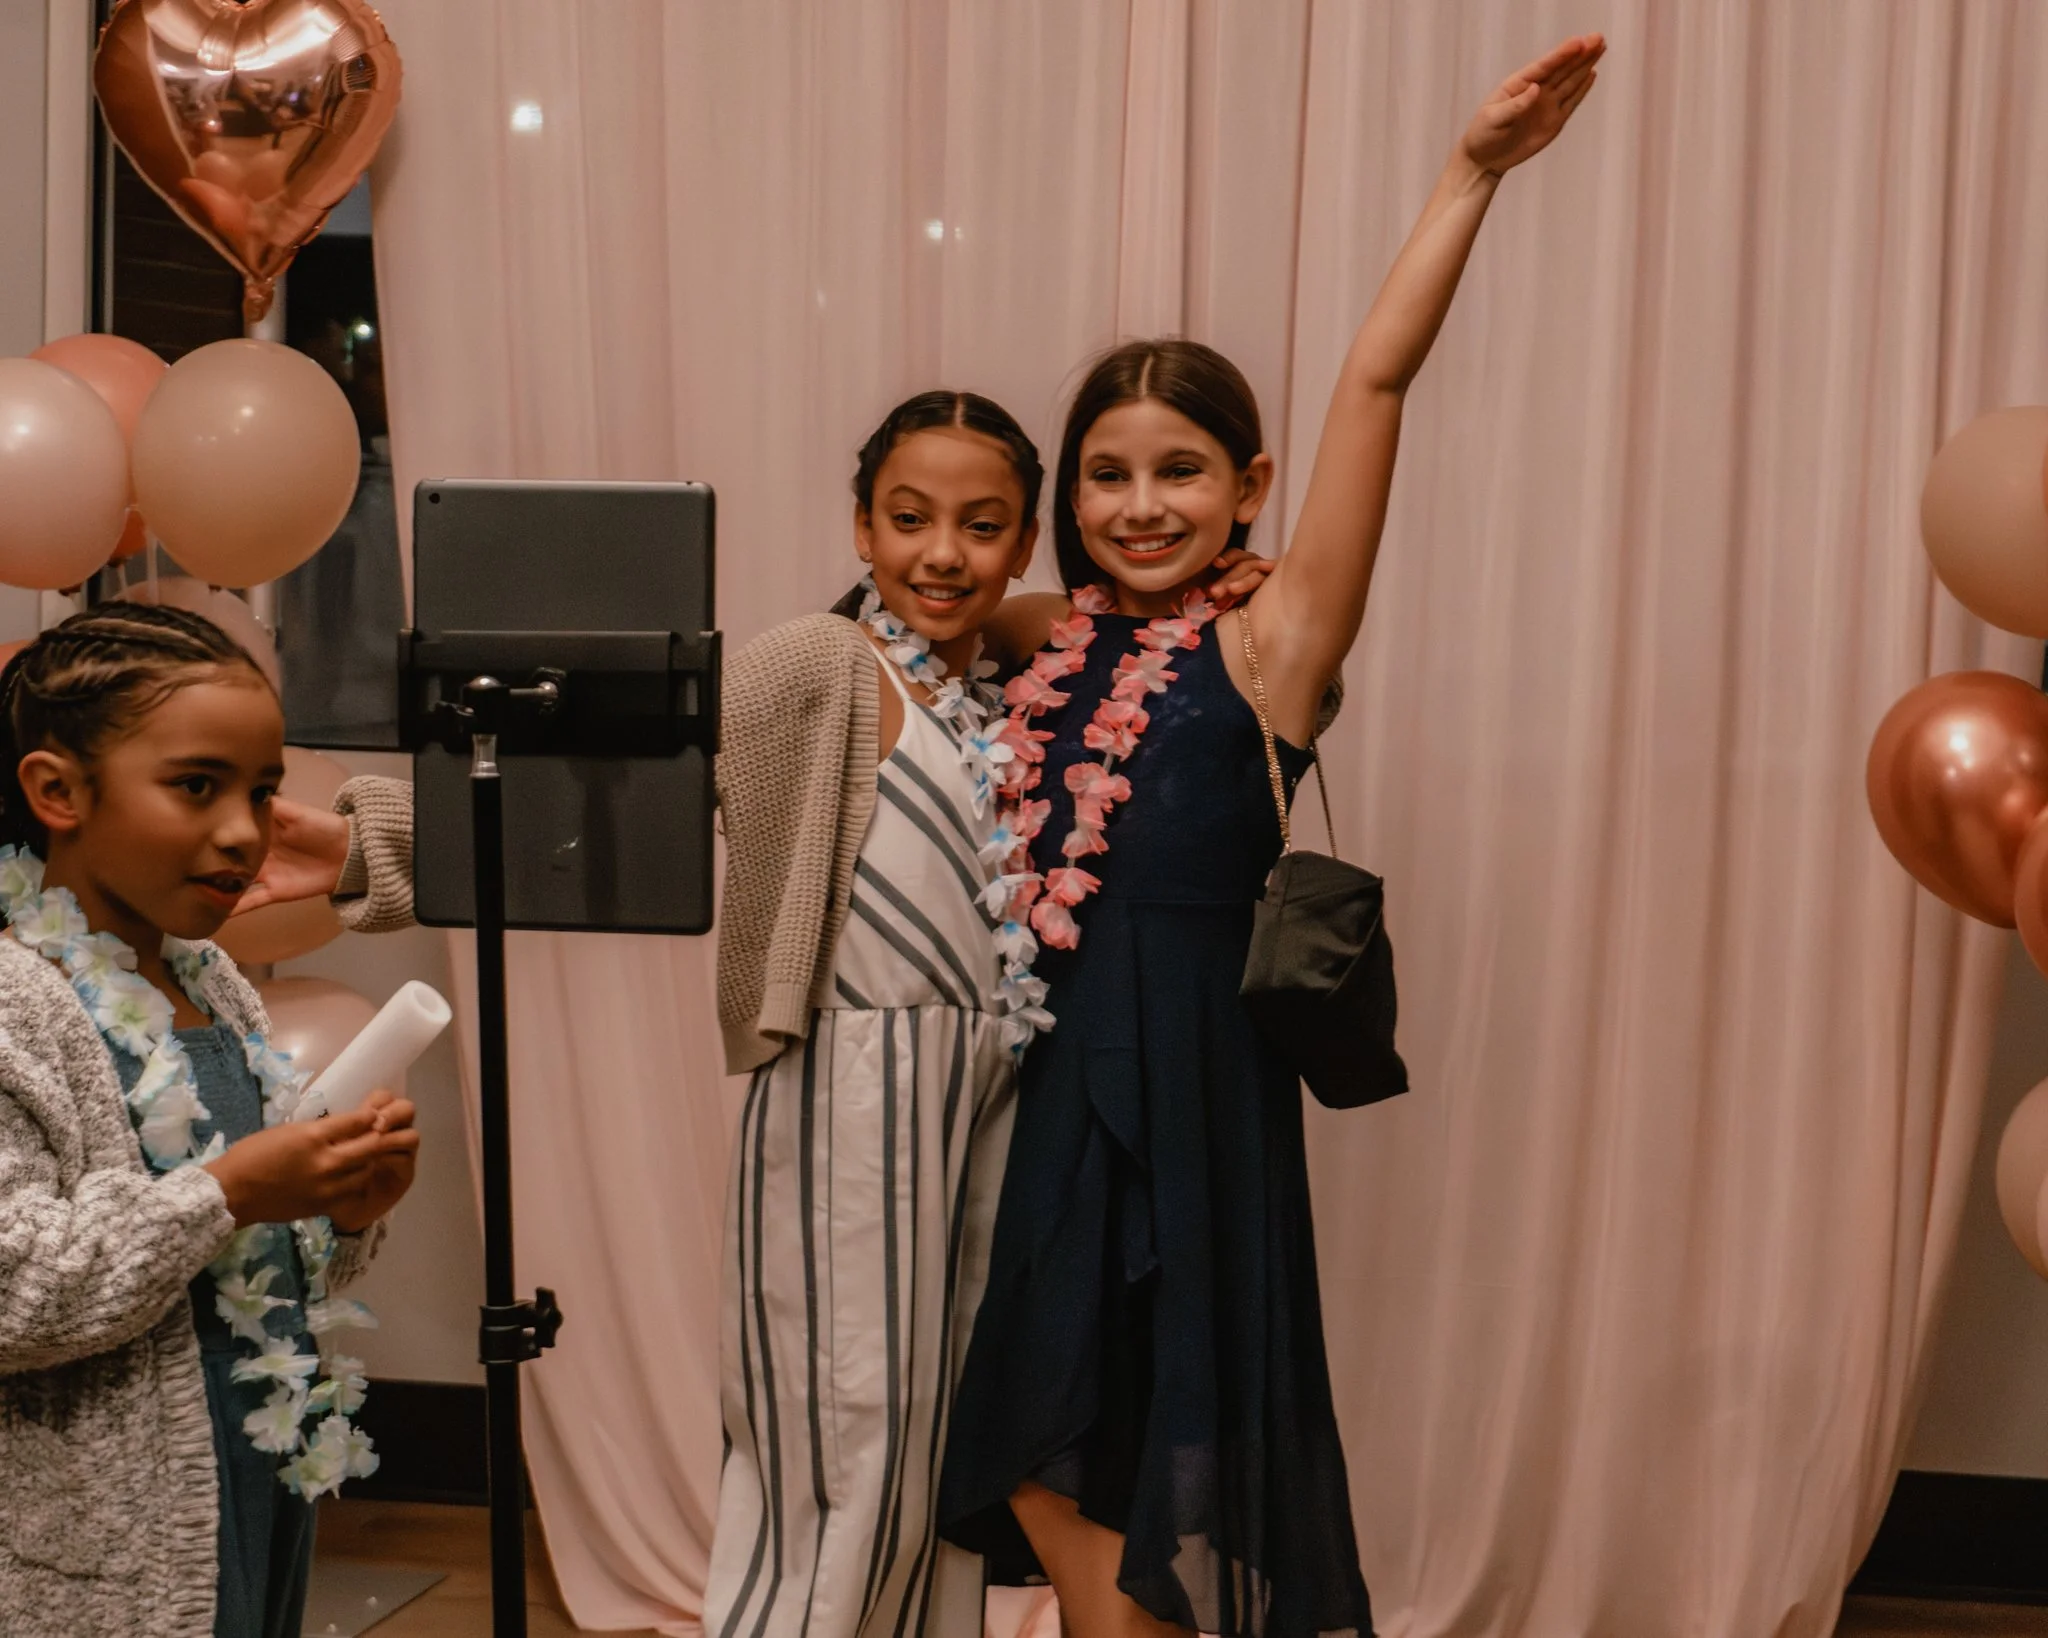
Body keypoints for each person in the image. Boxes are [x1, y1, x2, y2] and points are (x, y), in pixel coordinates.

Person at [936, 37, 1605, 1638]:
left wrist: (1473, 173)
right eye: (1104, 475)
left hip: (1196, 1093)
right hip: (1049, 1083)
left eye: (1179, 471)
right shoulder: (1041, 639)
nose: (1140, 503)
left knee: (1170, 1445)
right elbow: (922, 598)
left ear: (1250, 486)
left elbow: (1375, 377)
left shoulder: (1273, 640)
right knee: (1036, 1434)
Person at [0, 603, 419, 1638]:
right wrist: (228, 1189)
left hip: (250, 1467)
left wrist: (340, 1212)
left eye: (264, 791)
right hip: (98, 1536)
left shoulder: (214, 983)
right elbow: (14, 1293)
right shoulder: (16, 1005)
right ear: (58, 790)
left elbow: (253, 1268)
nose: (246, 830)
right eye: (197, 786)